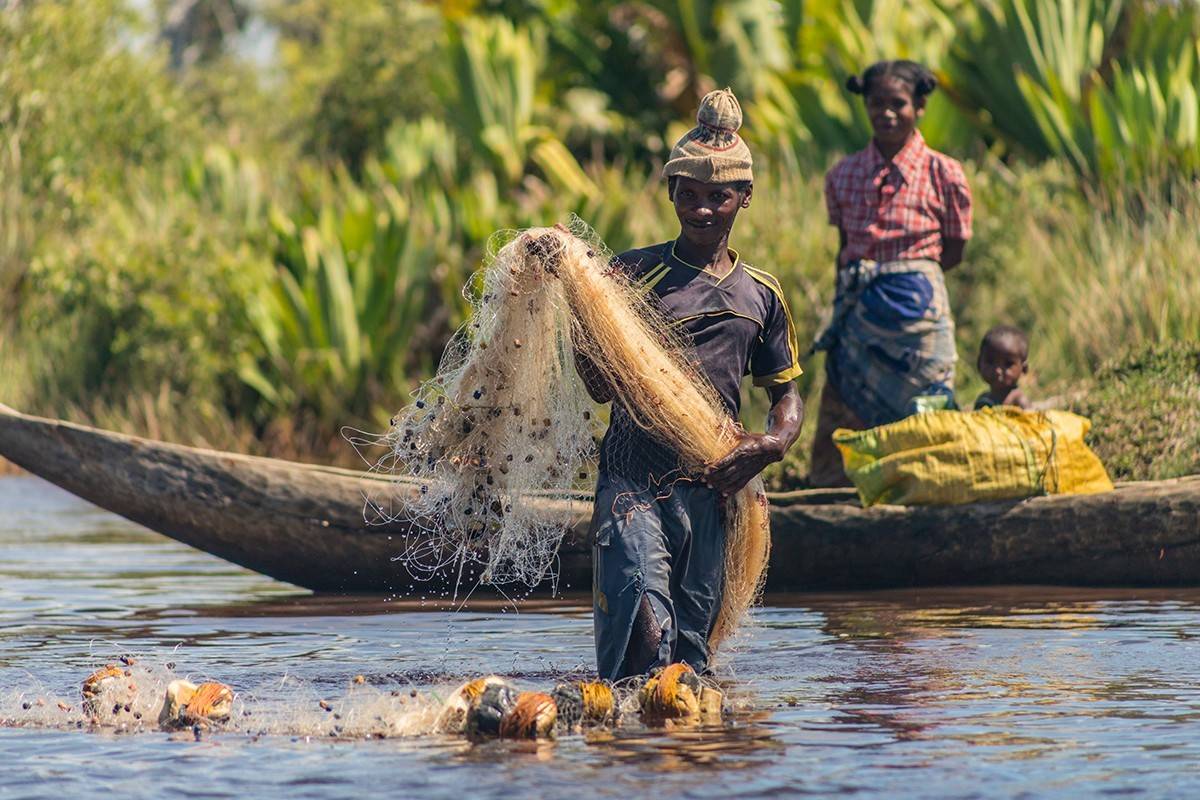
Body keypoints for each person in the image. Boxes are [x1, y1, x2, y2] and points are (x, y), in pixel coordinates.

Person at [580, 89, 804, 681]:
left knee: (690, 657)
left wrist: (771, 445)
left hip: (712, 487)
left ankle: (690, 763)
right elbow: (598, 386)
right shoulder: (631, 274)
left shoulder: (761, 295)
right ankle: (630, 765)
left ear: (743, 198)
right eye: (689, 194)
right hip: (632, 478)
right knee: (642, 633)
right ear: (671, 191)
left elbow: (784, 394)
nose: (701, 209)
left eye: (718, 197)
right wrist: (583, 315)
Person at [809, 60, 973, 488]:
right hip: (857, 318)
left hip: (919, 322)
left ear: (919, 106)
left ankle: (925, 492)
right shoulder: (843, 175)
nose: (886, 112)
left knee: (927, 409)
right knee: (845, 408)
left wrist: (908, 283)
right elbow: (845, 247)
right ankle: (834, 503)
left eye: (897, 103)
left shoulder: (945, 173)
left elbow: (953, 251)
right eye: (875, 103)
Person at [974, 325, 1031, 409]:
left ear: (1023, 369)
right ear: (979, 364)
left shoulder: (1018, 401)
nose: (998, 370)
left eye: (1008, 364)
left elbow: (1030, 420)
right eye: (990, 362)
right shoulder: (983, 399)